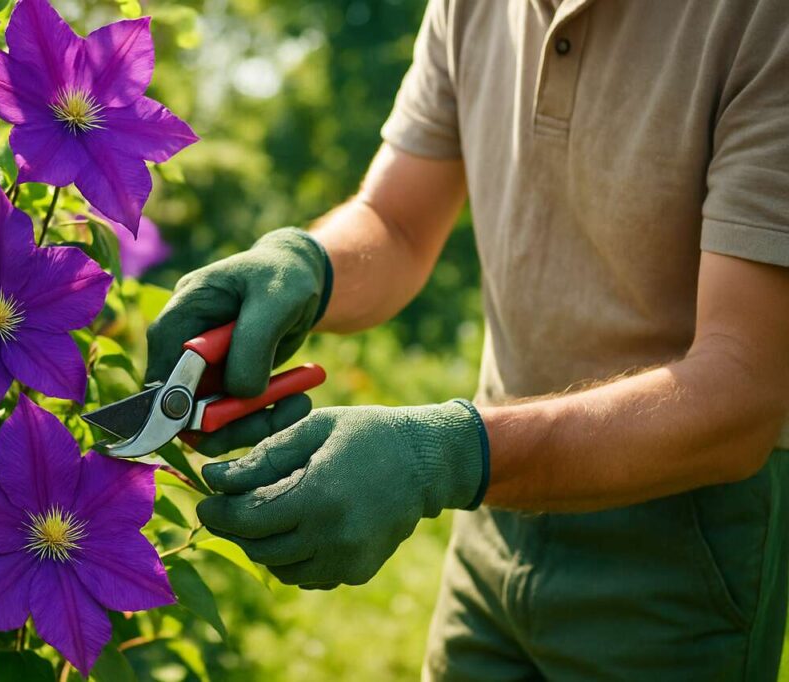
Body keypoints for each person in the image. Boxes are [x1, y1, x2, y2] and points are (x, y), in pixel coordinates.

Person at [145, 1, 789, 678]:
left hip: (679, 561)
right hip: (492, 514)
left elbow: (743, 392)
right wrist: (305, 265)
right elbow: (398, 221)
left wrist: (446, 455)